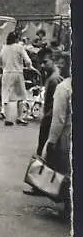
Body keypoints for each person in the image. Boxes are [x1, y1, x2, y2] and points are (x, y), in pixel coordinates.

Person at [23, 52, 63, 196]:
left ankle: (40, 185)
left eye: (45, 62)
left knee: (44, 152)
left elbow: (56, 105)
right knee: (44, 152)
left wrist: (47, 117)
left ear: (54, 61)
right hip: (49, 118)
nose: (43, 66)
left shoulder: (55, 79)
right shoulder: (53, 77)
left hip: (50, 119)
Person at [44, 76, 72, 219]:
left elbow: (59, 119)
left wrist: (52, 141)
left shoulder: (64, 87)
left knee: (67, 174)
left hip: (67, 136)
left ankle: (68, 211)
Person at [0, 32, 37, 126]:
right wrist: (29, 67)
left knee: (5, 94)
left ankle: (7, 118)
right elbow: (27, 60)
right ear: (16, 39)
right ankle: (19, 117)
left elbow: (0, 62)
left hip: (7, 72)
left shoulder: (4, 48)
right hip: (18, 72)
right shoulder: (19, 47)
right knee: (21, 95)